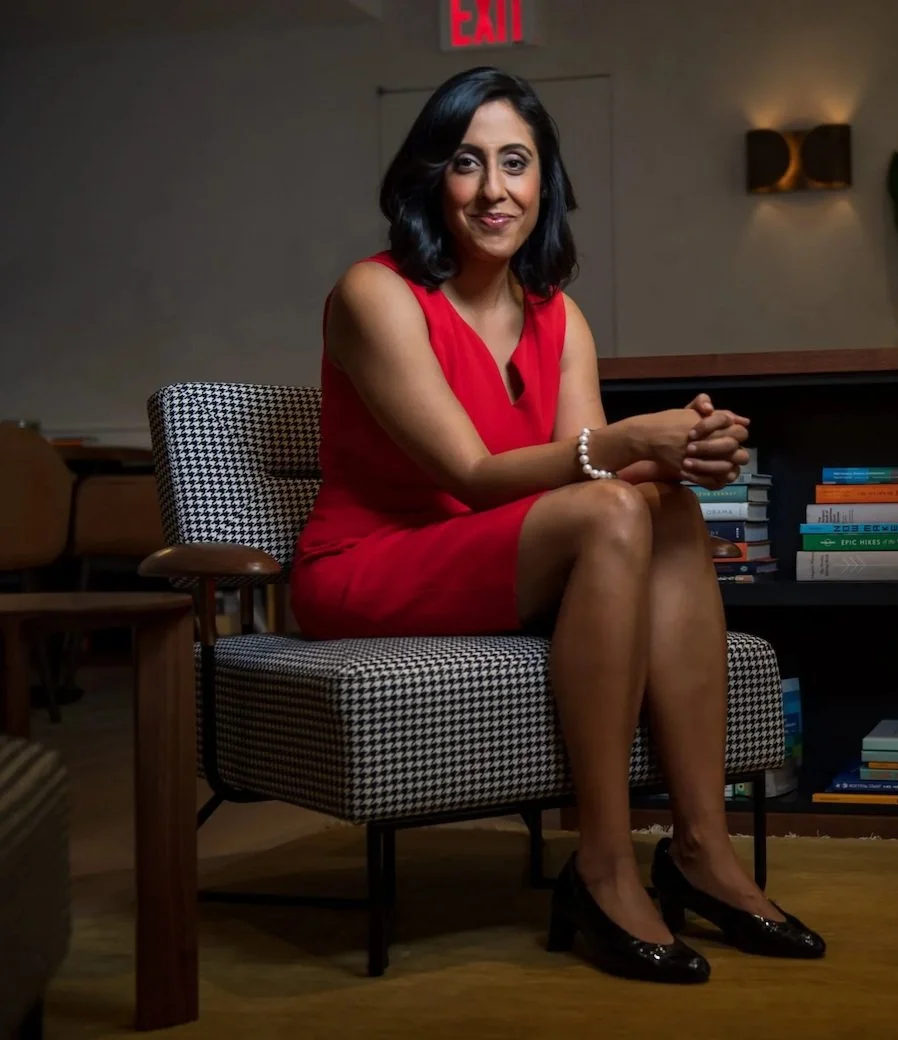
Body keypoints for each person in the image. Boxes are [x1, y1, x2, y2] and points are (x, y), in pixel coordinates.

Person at [291, 65, 824, 984]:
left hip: (503, 550)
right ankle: (604, 865)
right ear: (431, 177)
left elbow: (583, 458)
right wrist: (626, 444)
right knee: (620, 500)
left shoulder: (557, 314)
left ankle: (702, 848)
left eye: (516, 162)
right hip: (372, 565)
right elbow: (472, 474)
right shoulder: (374, 296)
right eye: (467, 163)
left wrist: (687, 450)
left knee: (663, 503)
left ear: (546, 182)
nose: (494, 189)